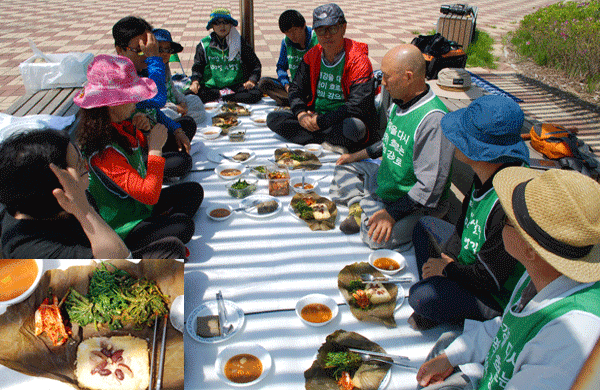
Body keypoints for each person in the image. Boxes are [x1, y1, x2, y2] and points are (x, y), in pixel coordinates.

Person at [416, 168, 600, 390]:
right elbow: (506, 328)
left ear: (531, 248)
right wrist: (451, 357)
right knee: (449, 344)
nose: (499, 223)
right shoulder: (538, 272)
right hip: (493, 373)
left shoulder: (570, 335)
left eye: (506, 219)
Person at [407, 95, 530, 330]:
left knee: (421, 297)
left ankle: (446, 307)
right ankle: (440, 294)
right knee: (424, 226)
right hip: (469, 260)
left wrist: (446, 268)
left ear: (480, 150)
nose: (453, 140)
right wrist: (449, 256)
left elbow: (489, 279)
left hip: (492, 293)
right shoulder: (487, 172)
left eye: (461, 136)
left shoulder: (508, 202)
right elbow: (464, 224)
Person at [329, 44, 454, 251]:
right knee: (343, 167)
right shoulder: (400, 101)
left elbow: (429, 188)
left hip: (416, 202)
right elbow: (388, 142)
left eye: (387, 76)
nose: (383, 83)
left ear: (408, 77)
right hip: (388, 182)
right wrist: (354, 157)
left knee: (375, 239)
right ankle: (361, 208)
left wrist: (392, 214)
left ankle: (368, 209)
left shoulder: (433, 120)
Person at [74, 54, 202, 255]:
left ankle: (159, 227)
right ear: (111, 103)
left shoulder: (118, 124)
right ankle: (148, 241)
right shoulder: (103, 153)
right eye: (130, 98)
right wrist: (155, 150)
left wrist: (142, 133)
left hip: (139, 206)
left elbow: (136, 157)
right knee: (184, 227)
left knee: (194, 191)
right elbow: (149, 195)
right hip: (124, 226)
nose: (136, 102)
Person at [0, 129, 186, 259]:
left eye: (81, 157)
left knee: (173, 243)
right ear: (52, 184)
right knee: (172, 248)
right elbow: (120, 261)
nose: (86, 165)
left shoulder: (65, 198)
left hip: (107, 242)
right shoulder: (31, 248)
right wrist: (84, 210)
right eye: (78, 164)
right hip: (87, 280)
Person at [266, 3, 378, 154]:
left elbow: (357, 105)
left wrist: (322, 121)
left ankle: (315, 137)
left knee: (356, 128)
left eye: (332, 28)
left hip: (340, 119)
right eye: (321, 30)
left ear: (343, 28)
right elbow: (296, 88)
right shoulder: (313, 55)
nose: (327, 35)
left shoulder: (358, 59)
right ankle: (325, 141)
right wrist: (301, 114)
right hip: (316, 116)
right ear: (315, 32)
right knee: (273, 118)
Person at [113, 16, 195, 178]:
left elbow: (154, 110)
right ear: (120, 50)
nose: (146, 55)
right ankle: (158, 162)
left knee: (186, 124)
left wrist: (177, 130)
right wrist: (154, 60)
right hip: (132, 154)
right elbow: (157, 98)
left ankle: (168, 152)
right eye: (140, 50)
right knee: (182, 162)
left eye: (148, 48)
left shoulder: (138, 68)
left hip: (148, 137)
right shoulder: (118, 76)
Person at [187, 8, 262, 104]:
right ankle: (225, 97)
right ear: (212, 26)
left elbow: (255, 64)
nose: (222, 26)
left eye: (226, 22)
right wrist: (195, 82)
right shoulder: (204, 44)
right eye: (217, 23)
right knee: (190, 94)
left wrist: (252, 80)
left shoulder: (239, 42)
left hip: (235, 87)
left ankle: (224, 98)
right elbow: (198, 67)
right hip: (212, 88)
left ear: (231, 24)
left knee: (256, 93)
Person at [257, 10, 319, 106]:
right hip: (294, 87)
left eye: (295, 30)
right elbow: (281, 67)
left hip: (314, 88)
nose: (292, 35)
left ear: (303, 26)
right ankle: (297, 101)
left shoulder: (316, 40)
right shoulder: (286, 42)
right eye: (287, 32)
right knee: (264, 83)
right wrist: (286, 85)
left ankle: (297, 102)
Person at [152, 28, 207, 126]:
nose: (164, 53)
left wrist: (182, 103)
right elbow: (154, 102)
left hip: (174, 105)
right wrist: (177, 108)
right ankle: (182, 123)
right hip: (163, 109)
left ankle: (183, 121)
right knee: (167, 114)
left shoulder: (165, 65)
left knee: (195, 100)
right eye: (160, 49)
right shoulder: (148, 70)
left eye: (167, 49)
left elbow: (172, 88)